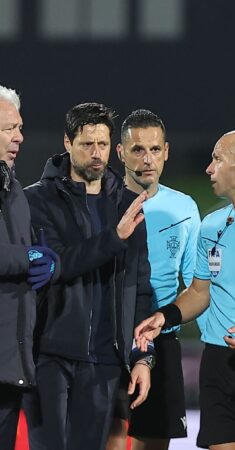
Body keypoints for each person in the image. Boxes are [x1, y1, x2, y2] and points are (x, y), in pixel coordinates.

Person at [135, 130, 235, 450]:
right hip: (219, 365)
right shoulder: (211, 225)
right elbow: (198, 292)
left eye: (217, 159)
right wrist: (163, 317)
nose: (209, 169)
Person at [23, 102, 155, 450]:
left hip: (103, 362)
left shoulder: (128, 205)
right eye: (86, 144)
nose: (97, 154)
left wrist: (142, 357)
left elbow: (139, 285)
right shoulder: (36, 201)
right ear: (67, 142)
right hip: (48, 356)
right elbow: (53, 266)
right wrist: (114, 238)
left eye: (102, 145)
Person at [106, 109, 201, 450]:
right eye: (137, 150)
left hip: (161, 340)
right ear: (120, 153)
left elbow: (196, 285)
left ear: (167, 151)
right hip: (109, 337)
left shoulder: (185, 208)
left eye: (155, 149)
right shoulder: (101, 202)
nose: (148, 159)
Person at [0, 85, 58, 450]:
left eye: (19, 127)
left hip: (9, 362)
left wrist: (45, 261)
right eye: (8, 128)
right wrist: (30, 258)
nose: (19, 136)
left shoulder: (15, 188)